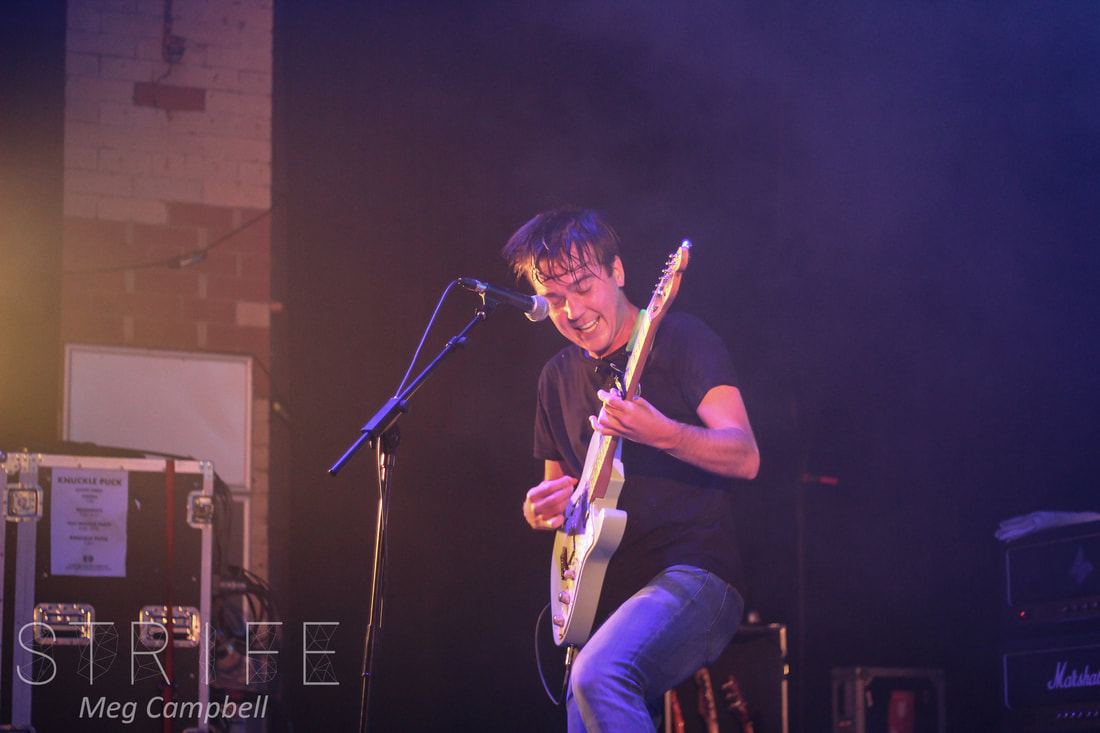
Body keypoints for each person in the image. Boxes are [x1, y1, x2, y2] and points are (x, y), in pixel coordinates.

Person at [502, 207, 760, 732]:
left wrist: (665, 434)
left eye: (583, 287)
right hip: (603, 599)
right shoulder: (555, 378)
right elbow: (558, 491)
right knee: (585, 701)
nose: (573, 311)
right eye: (554, 299)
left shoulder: (681, 338)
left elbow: (745, 455)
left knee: (600, 677)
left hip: (696, 574)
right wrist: (540, 509)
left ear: (617, 271)